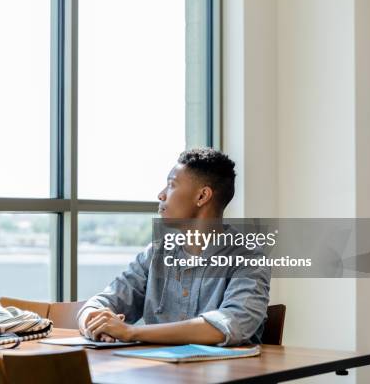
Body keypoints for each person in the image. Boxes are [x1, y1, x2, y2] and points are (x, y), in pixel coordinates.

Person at [77, 148, 270, 346]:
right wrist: (95, 324)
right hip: (158, 373)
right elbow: (100, 303)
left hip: (225, 375)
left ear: (202, 196)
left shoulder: (249, 258)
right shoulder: (156, 253)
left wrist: (132, 332)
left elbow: (230, 325)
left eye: (171, 185)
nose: (161, 195)